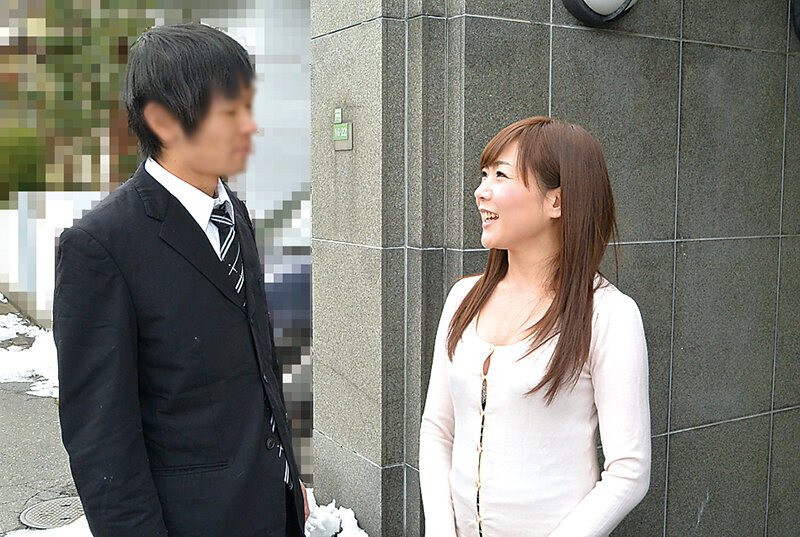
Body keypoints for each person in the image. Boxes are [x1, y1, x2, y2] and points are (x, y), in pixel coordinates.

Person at [53, 23, 308, 537]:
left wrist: (286, 475)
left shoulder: (233, 214)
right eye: (230, 111)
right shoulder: (101, 245)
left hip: (269, 507)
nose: (251, 128)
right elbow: (102, 439)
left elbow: (258, 366)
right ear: (164, 121)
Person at [419, 116, 650, 537]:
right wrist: (440, 528)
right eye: (484, 175)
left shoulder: (608, 314)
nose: (481, 191)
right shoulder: (463, 298)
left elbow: (629, 471)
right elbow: (438, 428)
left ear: (556, 202)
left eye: (501, 175)